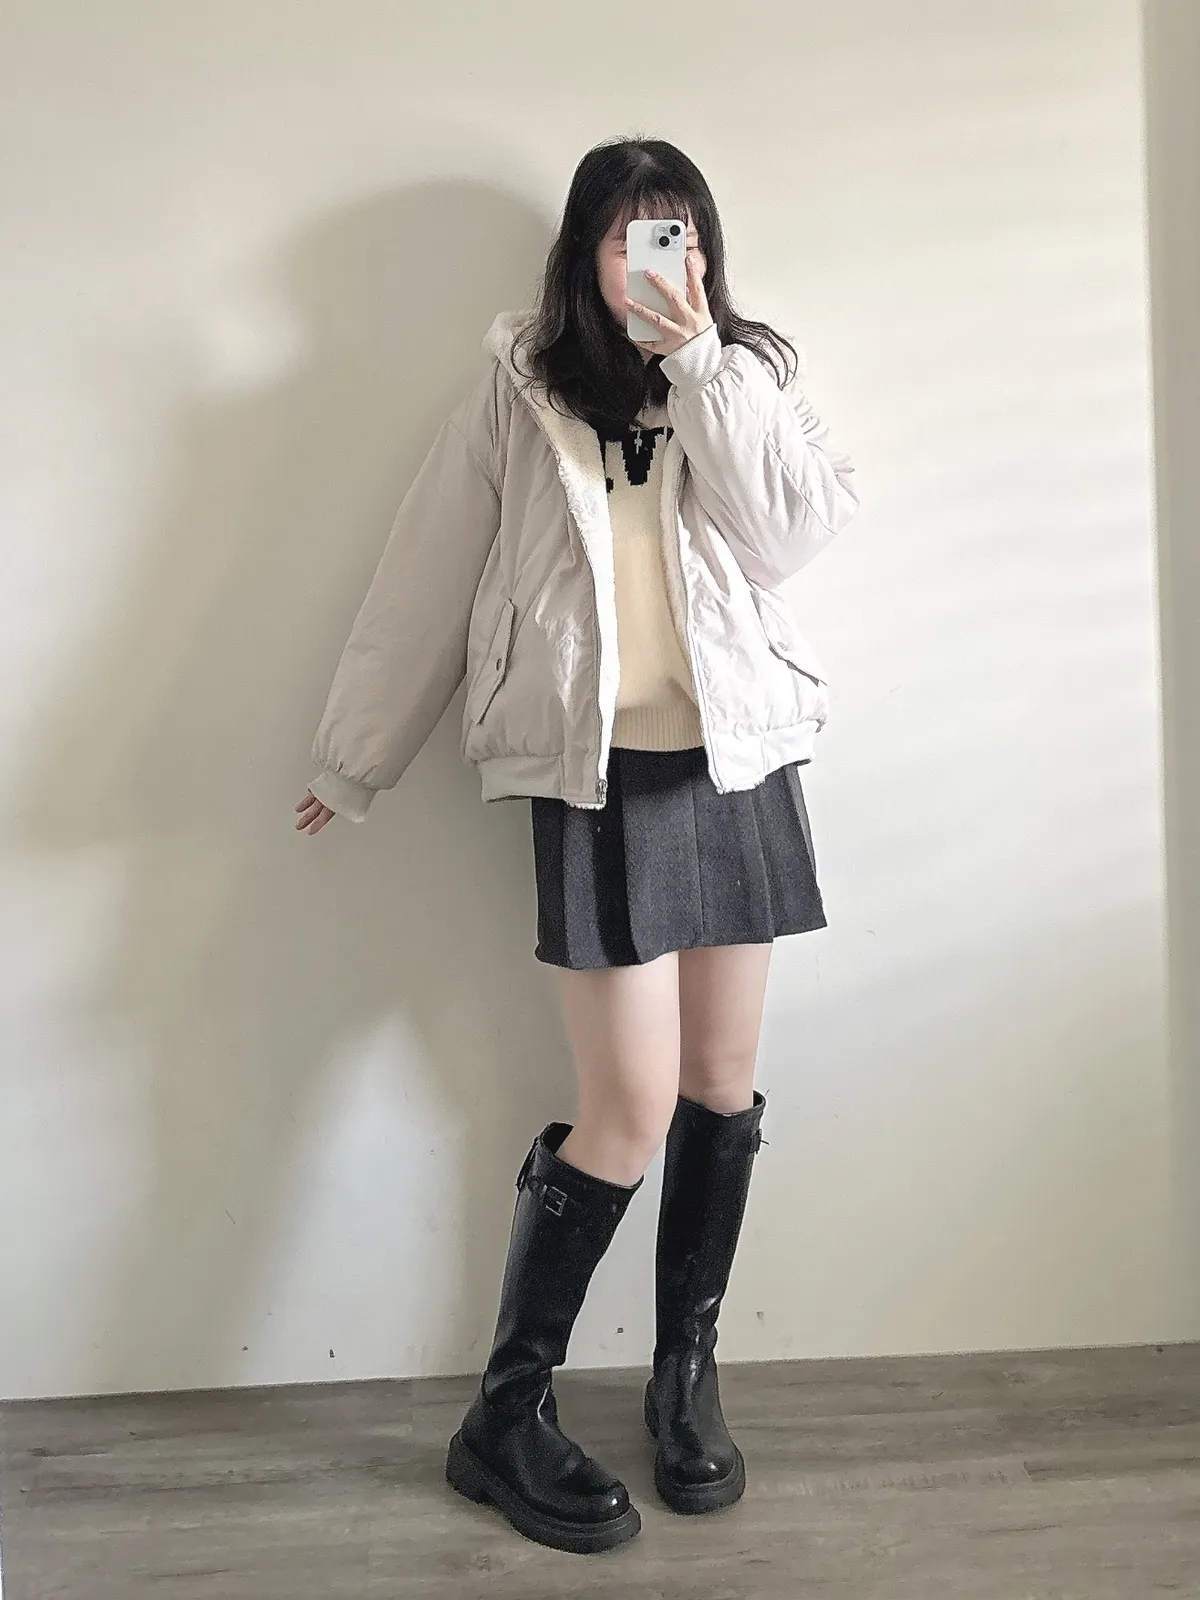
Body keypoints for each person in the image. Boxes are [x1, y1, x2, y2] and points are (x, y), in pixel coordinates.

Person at [294, 135, 858, 1555]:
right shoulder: (521, 390)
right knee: (630, 1106)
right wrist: (355, 758)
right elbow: (427, 575)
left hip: (736, 764)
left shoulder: (749, 375)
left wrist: (705, 366)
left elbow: (794, 536)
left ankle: (683, 1382)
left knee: (722, 1086)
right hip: (596, 778)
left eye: (680, 233)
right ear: (582, 252)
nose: (659, 261)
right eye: (630, 236)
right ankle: (504, 1416)